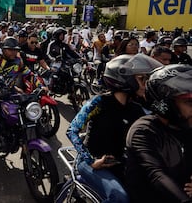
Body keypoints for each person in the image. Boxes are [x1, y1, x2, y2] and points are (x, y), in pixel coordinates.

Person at [66, 54, 162, 202]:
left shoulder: (137, 108)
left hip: (119, 161)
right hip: (91, 161)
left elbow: (164, 122)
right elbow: (72, 130)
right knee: (119, 197)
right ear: (125, 79)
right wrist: (91, 160)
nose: (145, 84)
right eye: (141, 79)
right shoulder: (99, 103)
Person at [125, 64, 192, 203]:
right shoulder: (143, 131)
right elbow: (157, 175)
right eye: (189, 102)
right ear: (166, 103)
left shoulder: (185, 126)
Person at [0, 37, 45, 152]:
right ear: (3, 50)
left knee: (26, 109)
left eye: (15, 50)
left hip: (11, 91)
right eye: (10, 50)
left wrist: (41, 86)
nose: (13, 52)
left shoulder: (18, 61)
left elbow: (29, 74)